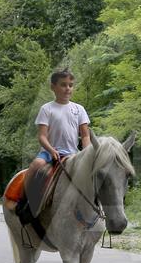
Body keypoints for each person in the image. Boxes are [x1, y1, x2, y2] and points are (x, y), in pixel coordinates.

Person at [21, 68, 91, 217]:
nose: (67, 88)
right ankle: (25, 200)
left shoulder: (79, 109)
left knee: (92, 174)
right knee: (36, 165)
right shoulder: (47, 109)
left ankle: (93, 210)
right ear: (53, 87)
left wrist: (87, 153)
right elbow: (42, 136)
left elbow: (85, 136)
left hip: (72, 154)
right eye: (63, 85)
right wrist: (52, 150)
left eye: (70, 85)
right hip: (49, 153)